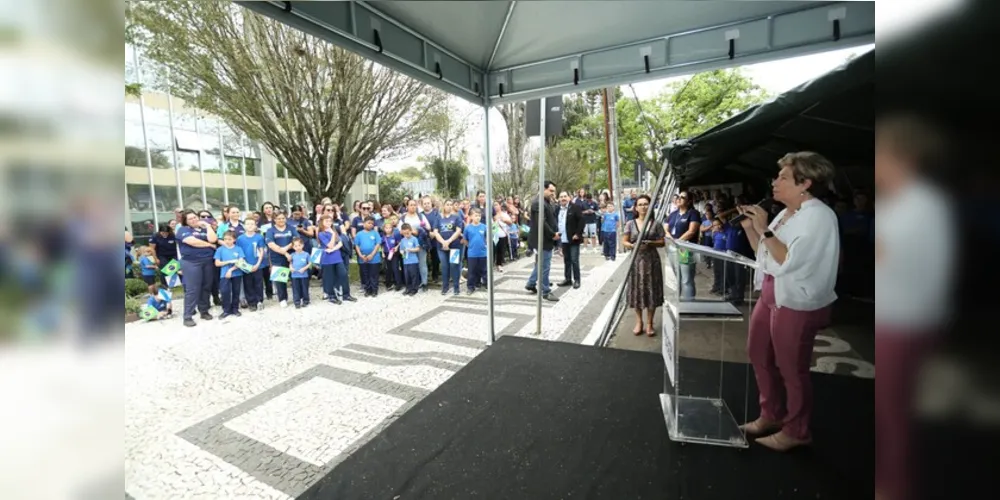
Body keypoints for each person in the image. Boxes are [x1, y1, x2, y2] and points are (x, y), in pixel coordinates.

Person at [735, 151, 840, 452]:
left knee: (791, 367)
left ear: (805, 183)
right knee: (758, 352)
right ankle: (771, 414)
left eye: (783, 177)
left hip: (794, 299)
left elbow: (787, 260)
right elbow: (764, 254)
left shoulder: (819, 216)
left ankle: (796, 429)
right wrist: (751, 229)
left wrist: (765, 228)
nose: (775, 181)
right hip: (771, 292)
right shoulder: (784, 213)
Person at [873, 115, 954, 500]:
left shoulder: (922, 204)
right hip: (897, 318)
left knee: (895, 410)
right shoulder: (904, 202)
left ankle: (895, 484)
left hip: (904, 322)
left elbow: (894, 258)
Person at [623, 194, 666, 336]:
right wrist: (632, 245)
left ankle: (649, 323)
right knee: (637, 291)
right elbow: (625, 241)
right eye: (640, 204)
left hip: (652, 261)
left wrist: (651, 243)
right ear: (636, 207)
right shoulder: (630, 223)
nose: (643, 207)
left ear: (650, 206)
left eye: (646, 204)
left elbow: (663, 241)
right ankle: (639, 322)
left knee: (651, 291)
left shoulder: (656, 223)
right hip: (636, 261)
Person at [176, 209, 218, 327]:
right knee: (192, 289)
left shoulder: (204, 229)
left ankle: (204, 311)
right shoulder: (182, 230)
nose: (193, 220)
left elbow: (213, 239)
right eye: (190, 219)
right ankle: (187, 316)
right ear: (186, 221)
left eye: (195, 217)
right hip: (191, 262)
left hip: (207, 261)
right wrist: (209, 245)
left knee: (206, 286)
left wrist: (208, 226)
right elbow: (192, 242)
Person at [525, 181, 560, 302]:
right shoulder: (537, 203)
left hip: (546, 239)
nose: (553, 193)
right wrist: (552, 234)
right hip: (543, 240)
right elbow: (542, 222)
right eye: (551, 191)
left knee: (541, 263)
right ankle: (545, 291)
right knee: (545, 266)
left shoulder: (546, 202)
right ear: (543, 189)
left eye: (554, 191)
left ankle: (530, 283)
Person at [665, 190, 701, 300]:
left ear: (689, 201)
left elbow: (692, 231)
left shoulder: (693, 213)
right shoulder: (673, 214)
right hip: (672, 248)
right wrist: (671, 239)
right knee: (676, 277)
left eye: (683, 197)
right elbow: (665, 228)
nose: (678, 199)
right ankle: (678, 302)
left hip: (686, 248)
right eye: (678, 197)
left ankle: (689, 303)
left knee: (687, 278)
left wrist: (677, 242)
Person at [432, 199, 464, 296]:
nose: (449, 206)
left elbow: (458, 231)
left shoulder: (456, 218)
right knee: (445, 267)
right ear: (444, 206)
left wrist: (449, 241)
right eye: (447, 204)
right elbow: (435, 232)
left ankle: (456, 287)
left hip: (454, 246)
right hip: (441, 247)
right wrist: (443, 242)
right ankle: (445, 287)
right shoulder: (438, 218)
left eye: (451, 204)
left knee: (454, 266)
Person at [265, 212, 295, 308]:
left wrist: (285, 249)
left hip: (292, 256)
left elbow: (296, 240)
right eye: (278, 218)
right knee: (280, 280)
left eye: (283, 218)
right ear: (274, 219)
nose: (281, 220)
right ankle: (282, 298)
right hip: (277, 257)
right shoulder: (270, 230)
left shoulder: (291, 228)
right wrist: (284, 253)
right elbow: (271, 244)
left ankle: (297, 296)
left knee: (295, 277)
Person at [555, 191, 584, 289]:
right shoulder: (557, 209)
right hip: (563, 239)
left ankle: (577, 280)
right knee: (566, 260)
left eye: (565, 196)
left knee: (574, 260)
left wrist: (578, 234)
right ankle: (567, 279)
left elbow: (581, 221)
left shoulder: (575, 207)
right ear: (559, 199)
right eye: (561, 196)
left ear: (569, 197)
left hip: (573, 239)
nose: (563, 198)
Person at [236, 219, 266, 311]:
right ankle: (251, 302)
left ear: (255, 226)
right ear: (244, 226)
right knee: (248, 284)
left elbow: (261, 251)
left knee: (258, 283)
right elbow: (239, 252)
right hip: (246, 266)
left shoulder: (259, 237)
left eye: (252, 224)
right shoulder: (240, 238)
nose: (250, 226)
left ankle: (259, 301)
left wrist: (257, 264)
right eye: (247, 224)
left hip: (258, 265)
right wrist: (245, 265)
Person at [214, 231, 245, 319]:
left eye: (230, 239)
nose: (227, 241)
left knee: (236, 291)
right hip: (224, 274)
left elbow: (241, 261)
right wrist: (229, 262)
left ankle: (235, 309)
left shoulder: (238, 249)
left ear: (234, 240)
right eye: (225, 239)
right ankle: (226, 310)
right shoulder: (220, 249)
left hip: (236, 273)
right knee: (225, 292)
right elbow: (217, 263)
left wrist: (231, 270)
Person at [354, 216, 382, 297]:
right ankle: (368, 289)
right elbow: (357, 245)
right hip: (363, 258)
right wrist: (360, 255)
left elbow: (377, 244)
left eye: (372, 224)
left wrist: (372, 254)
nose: (370, 225)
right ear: (364, 223)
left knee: (374, 274)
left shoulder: (375, 233)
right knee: (365, 274)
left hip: (374, 258)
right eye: (368, 223)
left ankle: (374, 290)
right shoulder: (359, 234)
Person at [464, 209, 489, 294]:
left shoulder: (484, 227)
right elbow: (465, 240)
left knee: (484, 270)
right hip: (472, 254)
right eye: (475, 215)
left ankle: (486, 284)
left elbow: (487, 237)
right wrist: (470, 246)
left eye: (479, 215)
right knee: (471, 271)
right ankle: (471, 287)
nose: (478, 217)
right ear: (471, 217)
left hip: (483, 253)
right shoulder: (468, 228)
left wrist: (485, 244)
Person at [399, 224, 422, 296]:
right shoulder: (402, 240)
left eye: (408, 233)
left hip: (413, 261)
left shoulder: (414, 239)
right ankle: (408, 288)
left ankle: (414, 289)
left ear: (411, 231)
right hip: (405, 261)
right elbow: (401, 249)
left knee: (414, 275)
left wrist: (410, 249)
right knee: (407, 276)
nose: (406, 235)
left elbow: (418, 248)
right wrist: (402, 251)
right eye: (404, 233)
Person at [289, 238, 311, 308]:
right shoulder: (292, 255)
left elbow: (310, 263)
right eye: (295, 246)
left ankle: (306, 300)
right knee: (296, 289)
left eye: (299, 245)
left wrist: (304, 268)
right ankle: (297, 302)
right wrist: (291, 268)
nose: (297, 247)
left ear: (302, 245)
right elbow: (290, 263)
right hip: (295, 275)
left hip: (304, 275)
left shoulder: (306, 254)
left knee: (304, 288)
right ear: (293, 247)